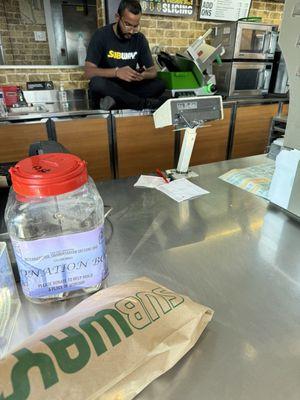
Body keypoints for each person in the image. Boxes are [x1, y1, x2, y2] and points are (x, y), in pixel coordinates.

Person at [84, 0, 166, 111]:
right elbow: (89, 72)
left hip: (129, 88)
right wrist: (117, 72)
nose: (131, 31)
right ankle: (141, 103)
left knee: (159, 85)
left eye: (135, 26)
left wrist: (142, 75)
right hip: (109, 86)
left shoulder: (139, 39)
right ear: (117, 18)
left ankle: (116, 102)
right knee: (97, 83)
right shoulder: (101, 35)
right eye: (127, 25)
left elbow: (153, 71)